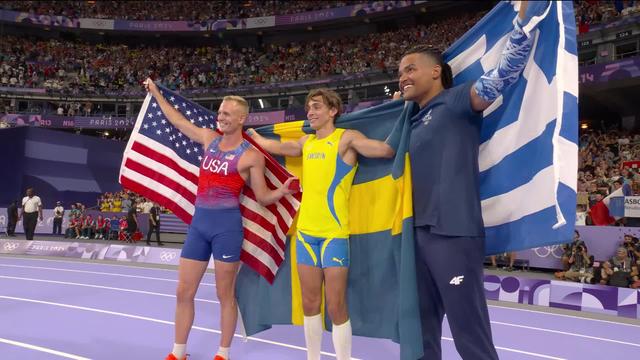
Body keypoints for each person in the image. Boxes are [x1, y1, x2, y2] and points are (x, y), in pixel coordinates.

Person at [394, 2, 544, 358]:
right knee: (419, 333)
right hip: (414, 234)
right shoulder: (407, 121)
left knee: (469, 334)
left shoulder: (459, 100)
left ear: (436, 73)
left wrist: (521, 26)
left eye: (410, 69)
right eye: (399, 72)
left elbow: (506, 72)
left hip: (453, 231)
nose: (402, 77)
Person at [144, 78, 297, 360]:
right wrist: (156, 94)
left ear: (241, 118)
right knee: (183, 291)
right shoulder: (209, 139)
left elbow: (262, 198)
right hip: (199, 227)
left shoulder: (252, 157)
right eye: (220, 112)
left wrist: (282, 191)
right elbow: (178, 121)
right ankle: (178, 352)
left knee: (224, 295)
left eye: (227, 113)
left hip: (227, 228)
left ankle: (223, 353)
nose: (221, 117)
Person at [248, 88, 394, 360]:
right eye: (308, 109)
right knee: (309, 303)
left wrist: (400, 111)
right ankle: (312, 357)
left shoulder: (346, 139)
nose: (310, 113)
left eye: (316, 107)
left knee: (336, 305)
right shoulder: (307, 143)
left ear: (332, 110)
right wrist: (254, 136)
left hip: (334, 235)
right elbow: (276, 146)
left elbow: (386, 150)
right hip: (306, 235)